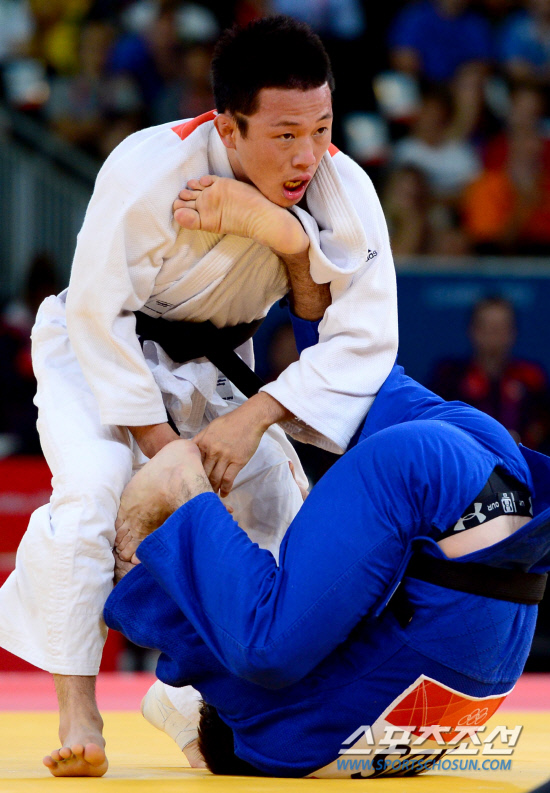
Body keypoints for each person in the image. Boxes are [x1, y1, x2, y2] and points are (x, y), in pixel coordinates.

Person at [0, 15, 398, 777]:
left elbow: (361, 335)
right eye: (284, 135)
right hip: (98, 351)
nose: (307, 154)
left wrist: (286, 239)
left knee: (280, 512)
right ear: (228, 126)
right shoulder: (148, 166)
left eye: (322, 128)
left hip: (221, 365)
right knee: (93, 493)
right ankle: (79, 708)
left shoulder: (341, 183)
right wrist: (166, 454)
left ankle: (200, 701)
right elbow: (98, 312)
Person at [100, 356, 550, 778]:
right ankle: (186, 487)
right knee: (262, 645)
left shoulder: (379, 747)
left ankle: (320, 311)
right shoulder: (279, 743)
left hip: (500, 476)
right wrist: (140, 578)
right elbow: (227, 656)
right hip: (435, 480)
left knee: (352, 360)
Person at [429, 296, 550, 450]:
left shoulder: (532, 377)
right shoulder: (449, 377)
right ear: (472, 330)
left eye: (500, 328)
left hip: (522, 461)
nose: (493, 335)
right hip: (465, 459)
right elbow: (435, 428)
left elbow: (542, 429)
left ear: (513, 332)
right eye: (486, 327)